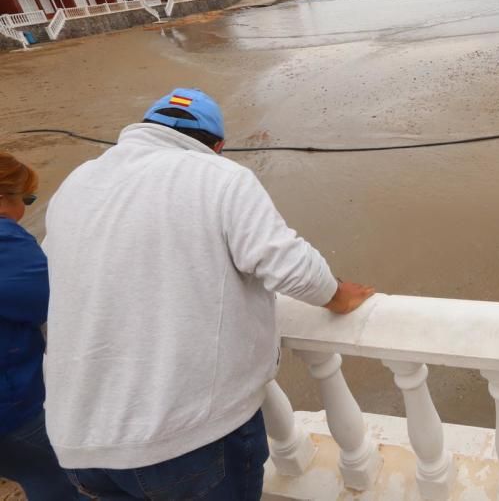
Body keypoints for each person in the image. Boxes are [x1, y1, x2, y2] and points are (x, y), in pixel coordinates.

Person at [42, 88, 375, 499]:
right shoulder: (220, 177)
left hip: (78, 447)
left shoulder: (76, 183)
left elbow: (58, 282)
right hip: (186, 443)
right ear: (217, 147)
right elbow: (289, 265)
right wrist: (338, 296)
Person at [0, 153, 82, 500]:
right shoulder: (6, 243)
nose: (25, 209)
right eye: (26, 199)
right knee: (62, 481)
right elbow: (59, 301)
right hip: (11, 410)